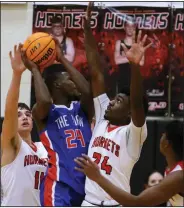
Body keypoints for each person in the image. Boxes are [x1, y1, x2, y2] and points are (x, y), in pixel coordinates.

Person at [75, 2, 151, 206]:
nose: (110, 103)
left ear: (128, 114)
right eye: (113, 99)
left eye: (118, 101)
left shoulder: (132, 135)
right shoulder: (102, 117)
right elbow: (96, 72)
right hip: (88, 202)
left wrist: (135, 66)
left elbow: (137, 105)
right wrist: (87, 32)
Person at [21, 37, 93, 206]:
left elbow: (88, 91)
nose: (74, 81)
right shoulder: (45, 113)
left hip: (86, 187)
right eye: (69, 79)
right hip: (58, 188)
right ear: (57, 84)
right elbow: (45, 100)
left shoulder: (81, 108)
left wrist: (62, 59)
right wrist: (35, 70)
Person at [75, 121, 184, 206]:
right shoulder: (172, 169)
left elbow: (137, 202)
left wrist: (98, 177)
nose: (161, 137)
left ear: (166, 144)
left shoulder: (178, 176)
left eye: (163, 135)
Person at [1, 45, 47, 206]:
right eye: (19, 115)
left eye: (28, 114)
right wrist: (17, 75)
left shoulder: (44, 148)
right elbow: (9, 111)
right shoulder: (12, 144)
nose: (25, 117)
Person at [114, 18, 144, 92]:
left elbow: (141, 62)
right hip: (122, 80)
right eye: (128, 26)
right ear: (124, 28)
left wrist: (124, 57)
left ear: (135, 28)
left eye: (132, 26)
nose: (130, 29)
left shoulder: (139, 44)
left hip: (135, 79)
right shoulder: (119, 43)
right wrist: (132, 57)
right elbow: (117, 60)